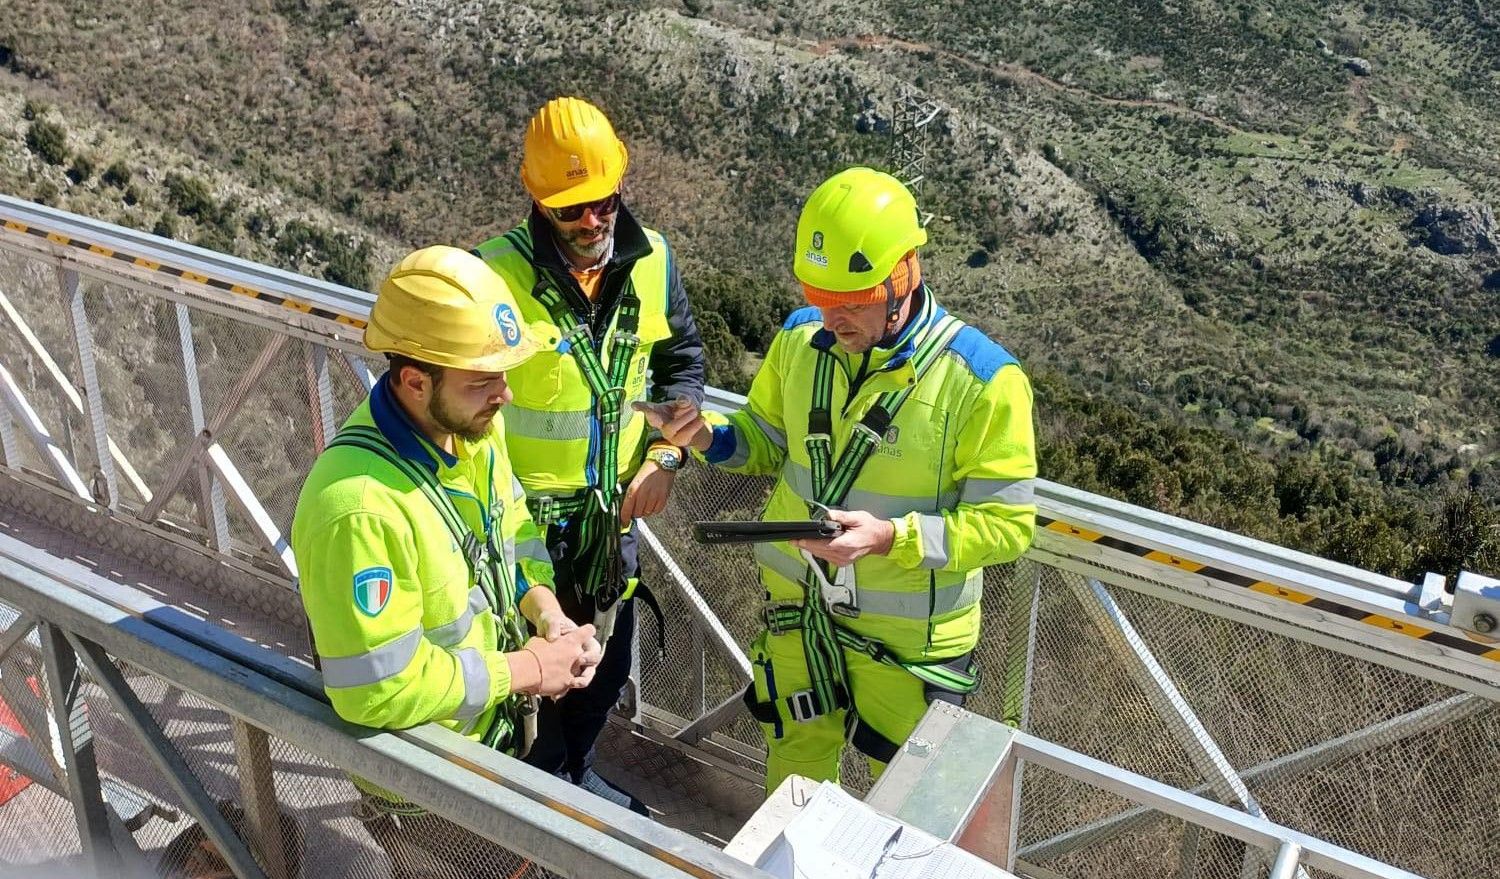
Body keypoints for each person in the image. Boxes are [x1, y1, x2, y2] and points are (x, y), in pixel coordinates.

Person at [641, 167, 1038, 792]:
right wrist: (706, 437)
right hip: (800, 612)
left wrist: (889, 537)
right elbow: (767, 440)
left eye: (852, 301)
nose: (832, 316)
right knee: (795, 769)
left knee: (906, 799)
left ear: (904, 276)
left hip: (906, 644)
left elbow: (1007, 527)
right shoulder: (801, 339)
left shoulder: (983, 382)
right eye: (818, 294)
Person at [291, 245, 602, 876]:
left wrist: (546, 614)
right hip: (423, 783)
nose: (505, 394)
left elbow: (511, 535)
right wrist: (527, 669)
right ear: (413, 380)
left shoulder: (470, 433)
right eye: (483, 380)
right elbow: (376, 692)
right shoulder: (358, 507)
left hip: (490, 741)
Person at [472, 96, 705, 811]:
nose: (593, 221)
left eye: (603, 201)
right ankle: (524, 817)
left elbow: (682, 362)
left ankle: (572, 780)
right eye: (571, 210)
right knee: (529, 687)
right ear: (538, 203)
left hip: (611, 529)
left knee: (602, 669)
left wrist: (667, 455)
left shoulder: (653, 261)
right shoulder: (491, 278)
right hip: (521, 531)